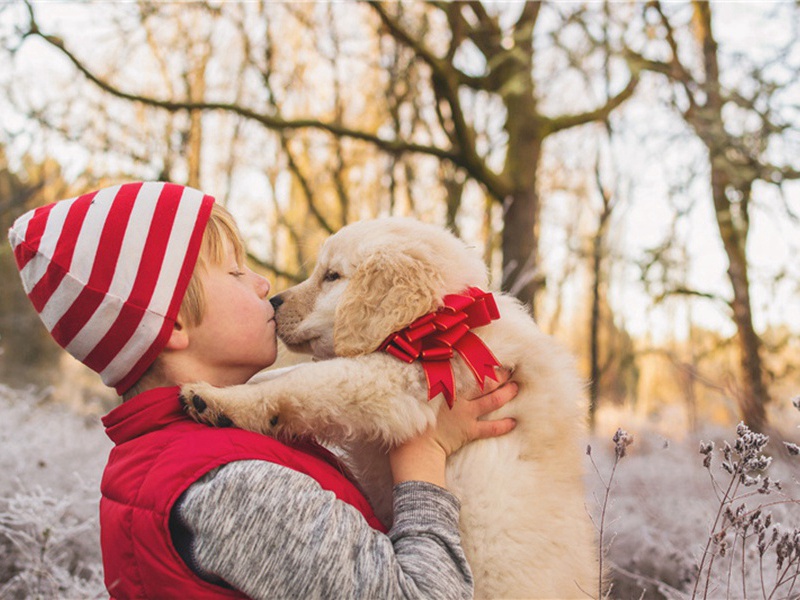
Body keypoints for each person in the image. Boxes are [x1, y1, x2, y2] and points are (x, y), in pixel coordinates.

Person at [8, 181, 517, 599]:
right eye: (234, 271)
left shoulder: (193, 452)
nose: (261, 284)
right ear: (172, 325)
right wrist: (423, 452)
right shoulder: (229, 488)